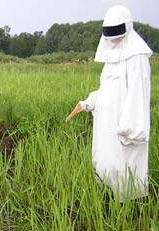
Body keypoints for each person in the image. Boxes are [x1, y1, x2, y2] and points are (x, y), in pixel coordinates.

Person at [66, 5, 153, 202]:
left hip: (125, 129)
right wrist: (89, 102)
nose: (113, 38)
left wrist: (131, 131)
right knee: (106, 166)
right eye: (109, 33)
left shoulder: (136, 57)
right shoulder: (111, 57)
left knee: (125, 173)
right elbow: (108, 90)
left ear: (127, 27)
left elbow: (139, 96)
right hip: (106, 126)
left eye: (116, 32)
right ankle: (107, 203)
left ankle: (129, 212)